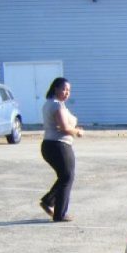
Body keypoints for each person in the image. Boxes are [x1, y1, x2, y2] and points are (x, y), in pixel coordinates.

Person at [39, 78, 84, 222]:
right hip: (58, 145)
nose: (66, 93)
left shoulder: (51, 104)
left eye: (69, 91)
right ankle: (60, 214)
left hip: (50, 144)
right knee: (67, 176)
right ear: (55, 88)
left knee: (65, 176)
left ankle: (49, 201)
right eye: (64, 89)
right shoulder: (57, 105)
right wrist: (77, 132)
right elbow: (64, 127)